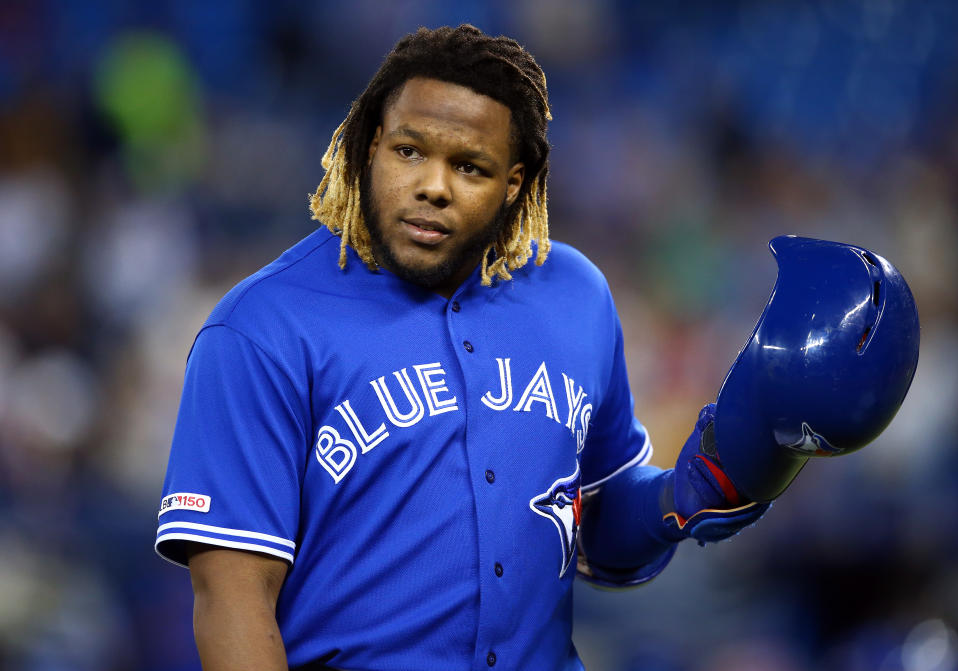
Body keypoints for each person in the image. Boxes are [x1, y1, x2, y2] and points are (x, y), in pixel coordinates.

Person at [155, 25, 767, 671]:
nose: (433, 186)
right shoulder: (263, 327)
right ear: (366, 148)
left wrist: (680, 497)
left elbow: (600, 526)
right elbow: (232, 600)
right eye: (409, 151)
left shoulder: (574, 294)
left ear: (514, 182)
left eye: (469, 166)